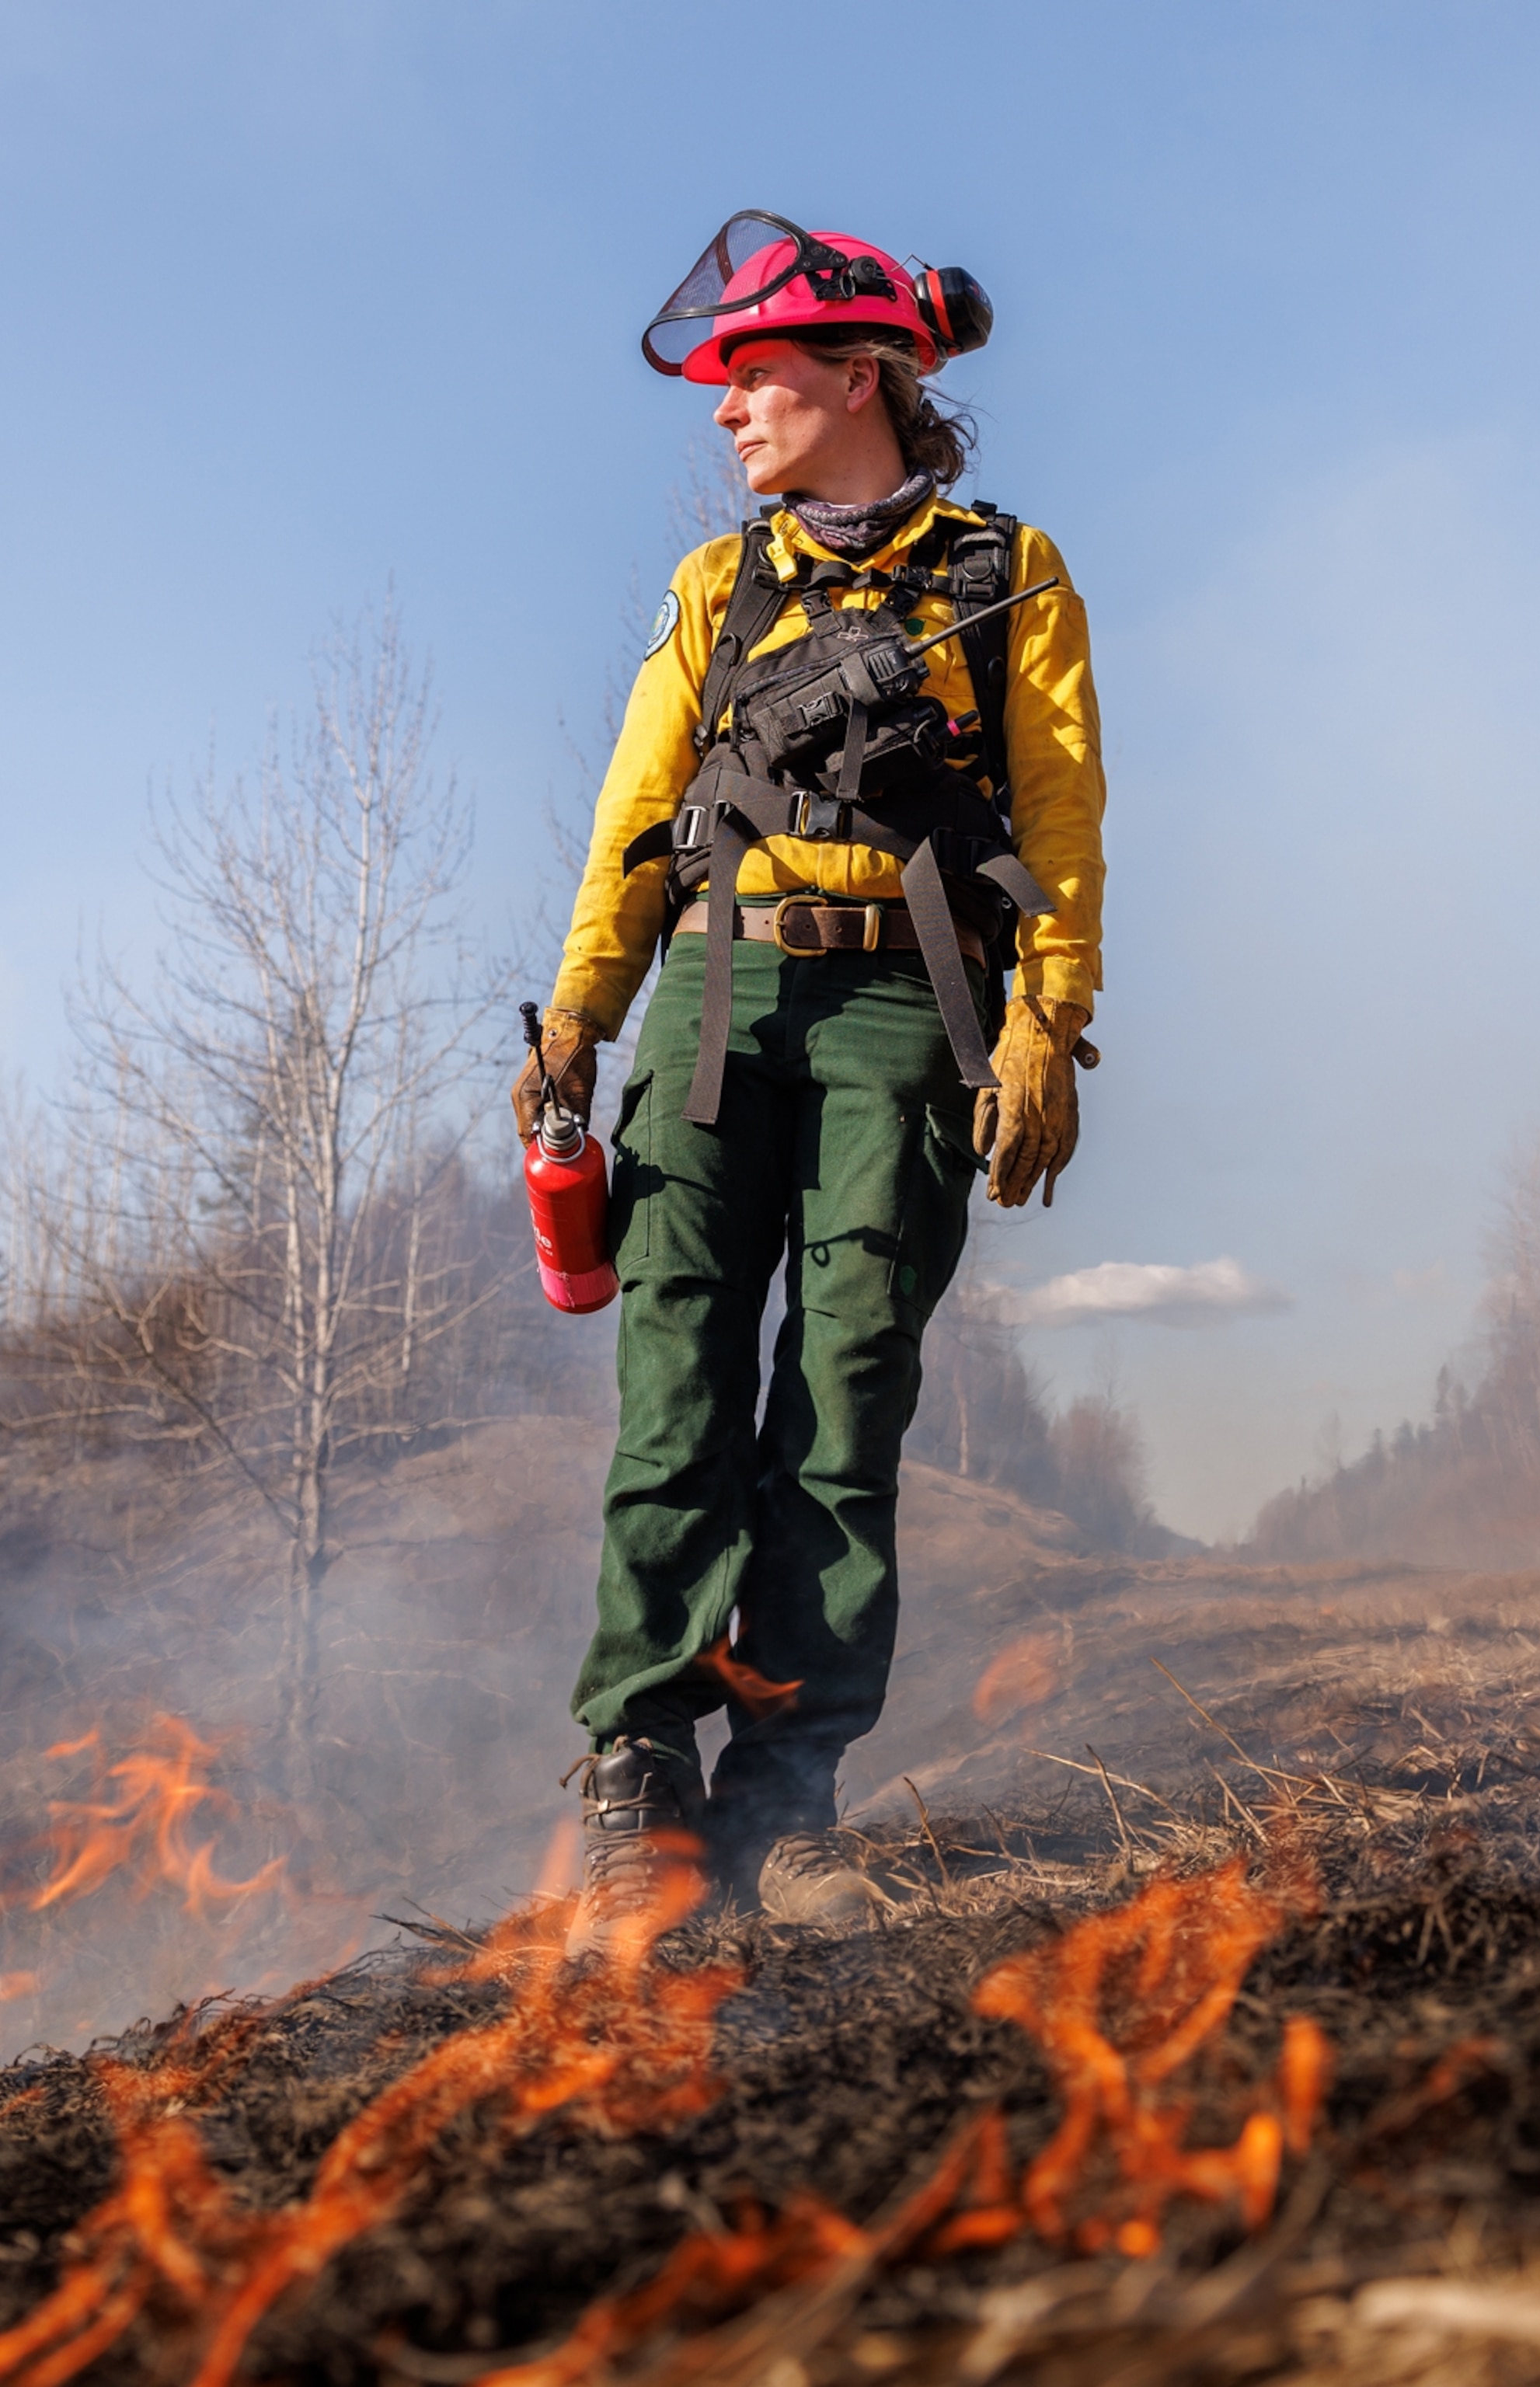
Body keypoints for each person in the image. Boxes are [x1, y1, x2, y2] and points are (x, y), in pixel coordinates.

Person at [513, 213, 1106, 1939]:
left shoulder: (1014, 570)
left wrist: (1040, 1021)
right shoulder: (719, 587)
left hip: (909, 1008)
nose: (725, 415)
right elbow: (638, 816)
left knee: (848, 1402)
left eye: (754, 381)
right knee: (678, 1375)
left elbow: (1060, 815)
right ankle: (641, 1776)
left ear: (860, 379)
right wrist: (577, 1016)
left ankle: (786, 1802)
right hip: (714, 1000)